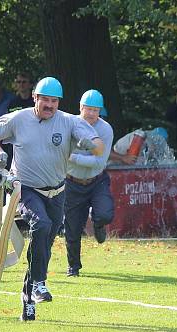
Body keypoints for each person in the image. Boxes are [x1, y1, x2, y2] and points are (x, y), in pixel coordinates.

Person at [0, 76, 103, 321]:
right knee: (42, 224)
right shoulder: (19, 119)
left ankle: (29, 295)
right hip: (24, 187)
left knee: (45, 240)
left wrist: (94, 145)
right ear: (35, 98)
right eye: (45, 99)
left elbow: (97, 143)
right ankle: (39, 282)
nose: (49, 105)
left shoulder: (69, 121)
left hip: (57, 191)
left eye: (54, 101)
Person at [64, 89, 115, 277]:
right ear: (80, 108)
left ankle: (98, 224)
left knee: (105, 214)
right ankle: (73, 268)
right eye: (88, 109)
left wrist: (73, 157)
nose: (91, 114)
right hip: (72, 182)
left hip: (97, 180)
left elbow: (99, 162)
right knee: (72, 227)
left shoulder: (105, 130)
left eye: (95, 110)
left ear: (100, 111)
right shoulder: (69, 125)